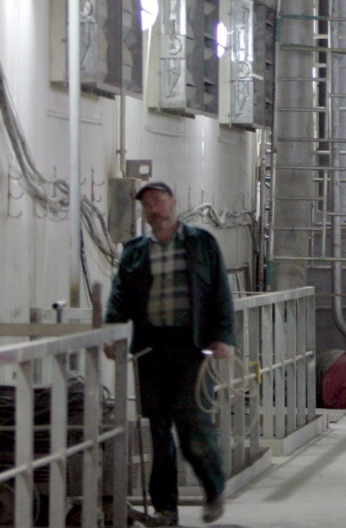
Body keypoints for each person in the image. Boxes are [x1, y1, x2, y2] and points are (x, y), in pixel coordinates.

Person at [103, 182, 233, 526]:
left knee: (192, 423)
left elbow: (220, 292)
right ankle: (165, 509)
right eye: (148, 205)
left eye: (159, 202)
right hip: (151, 348)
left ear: (173, 203)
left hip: (192, 347)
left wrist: (223, 337)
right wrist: (112, 331)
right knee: (158, 430)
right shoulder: (135, 252)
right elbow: (120, 296)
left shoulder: (202, 243)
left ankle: (213, 488)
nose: (154, 209)